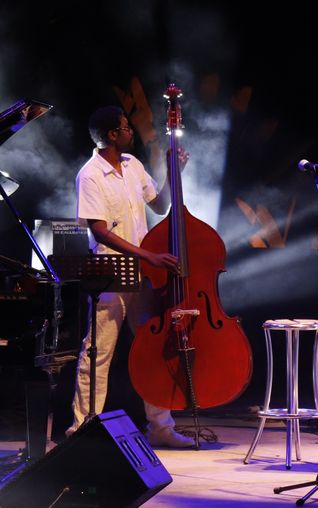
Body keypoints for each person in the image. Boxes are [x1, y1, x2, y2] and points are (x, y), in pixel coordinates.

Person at [67, 106, 194, 448]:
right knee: (98, 352)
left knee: (153, 347)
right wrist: (148, 254)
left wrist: (174, 173)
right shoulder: (90, 175)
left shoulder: (133, 165)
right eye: (125, 127)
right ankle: (81, 428)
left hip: (142, 272)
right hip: (109, 273)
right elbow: (100, 231)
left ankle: (161, 428)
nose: (130, 131)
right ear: (111, 134)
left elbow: (160, 205)